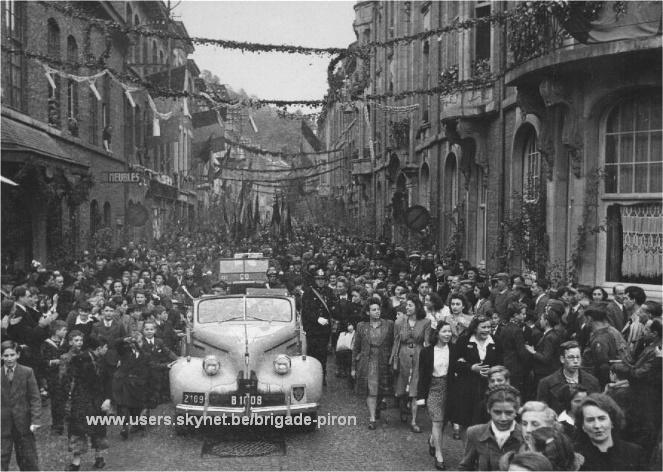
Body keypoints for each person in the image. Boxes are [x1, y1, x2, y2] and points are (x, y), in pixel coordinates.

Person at [448, 315, 502, 433]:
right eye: (483, 327)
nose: (487, 330)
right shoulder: (464, 340)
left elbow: (501, 363)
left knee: (485, 422)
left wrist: (492, 371)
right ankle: (468, 450)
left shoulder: (496, 341)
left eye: (489, 327)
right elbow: (453, 363)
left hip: (487, 388)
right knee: (466, 422)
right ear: (475, 328)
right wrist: (471, 367)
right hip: (467, 388)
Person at [67, 337, 112, 471]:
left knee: (94, 428)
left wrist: (108, 398)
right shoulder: (79, 360)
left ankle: (95, 459)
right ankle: (78, 462)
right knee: (81, 429)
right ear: (99, 348)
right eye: (105, 347)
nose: (107, 350)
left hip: (94, 401)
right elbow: (72, 381)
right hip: (83, 401)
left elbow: (107, 381)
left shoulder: (102, 361)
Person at [351, 297, 394, 430]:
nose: (377, 312)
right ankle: (372, 418)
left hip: (383, 361)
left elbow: (393, 344)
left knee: (381, 391)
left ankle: (378, 407)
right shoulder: (361, 326)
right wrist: (353, 367)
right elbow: (356, 347)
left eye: (378, 309)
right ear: (368, 312)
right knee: (371, 391)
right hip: (367, 363)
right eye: (373, 310)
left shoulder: (389, 324)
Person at [458, 384, 523, 471]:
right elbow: (465, 467)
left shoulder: (525, 435)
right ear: (488, 409)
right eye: (497, 412)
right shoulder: (475, 433)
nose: (503, 418)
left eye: (509, 413)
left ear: (516, 411)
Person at [573, 393, 644, 471]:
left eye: (602, 418)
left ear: (612, 421)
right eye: (590, 420)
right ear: (583, 426)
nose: (597, 425)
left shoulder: (634, 453)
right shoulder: (575, 456)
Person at [391, 294, 430, 432]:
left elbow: (427, 343)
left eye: (410, 305)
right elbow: (396, 341)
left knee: (415, 386)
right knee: (402, 385)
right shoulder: (399, 322)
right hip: (403, 355)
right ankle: (403, 408)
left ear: (417, 307)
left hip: (418, 355)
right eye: (406, 305)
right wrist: (394, 359)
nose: (407, 307)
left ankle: (414, 420)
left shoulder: (425, 322)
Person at [417, 322, 454, 470]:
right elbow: (422, 375)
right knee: (437, 421)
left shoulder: (454, 349)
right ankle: (439, 455)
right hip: (433, 388)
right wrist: (421, 396)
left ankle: (433, 440)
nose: (448, 334)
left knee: (444, 421)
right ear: (437, 333)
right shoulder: (426, 352)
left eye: (450, 332)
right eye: (444, 331)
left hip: (450, 388)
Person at [1, 341, 41, 471]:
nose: (9, 359)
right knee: (2, 457)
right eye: (5, 356)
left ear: (18, 355)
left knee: (28, 459)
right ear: (1, 357)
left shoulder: (27, 372)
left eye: (12, 355)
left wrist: (35, 420)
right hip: (3, 424)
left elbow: (35, 398)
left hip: (23, 423)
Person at [537, 341, 600, 414]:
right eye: (571, 357)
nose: (576, 361)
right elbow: (541, 412)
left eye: (578, 357)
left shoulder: (592, 381)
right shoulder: (546, 383)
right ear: (562, 359)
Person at [301, 268, 337, 385]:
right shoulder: (308, 292)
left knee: (323, 354)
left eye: (322, 279)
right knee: (312, 353)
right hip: (313, 329)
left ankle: (322, 376)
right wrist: (316, 318)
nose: (320, 281)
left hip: (324, 329)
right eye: (318, 279)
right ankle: (312, 378)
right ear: (314, 280)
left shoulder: (329, 291)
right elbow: (306, 310)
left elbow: (332, 306)